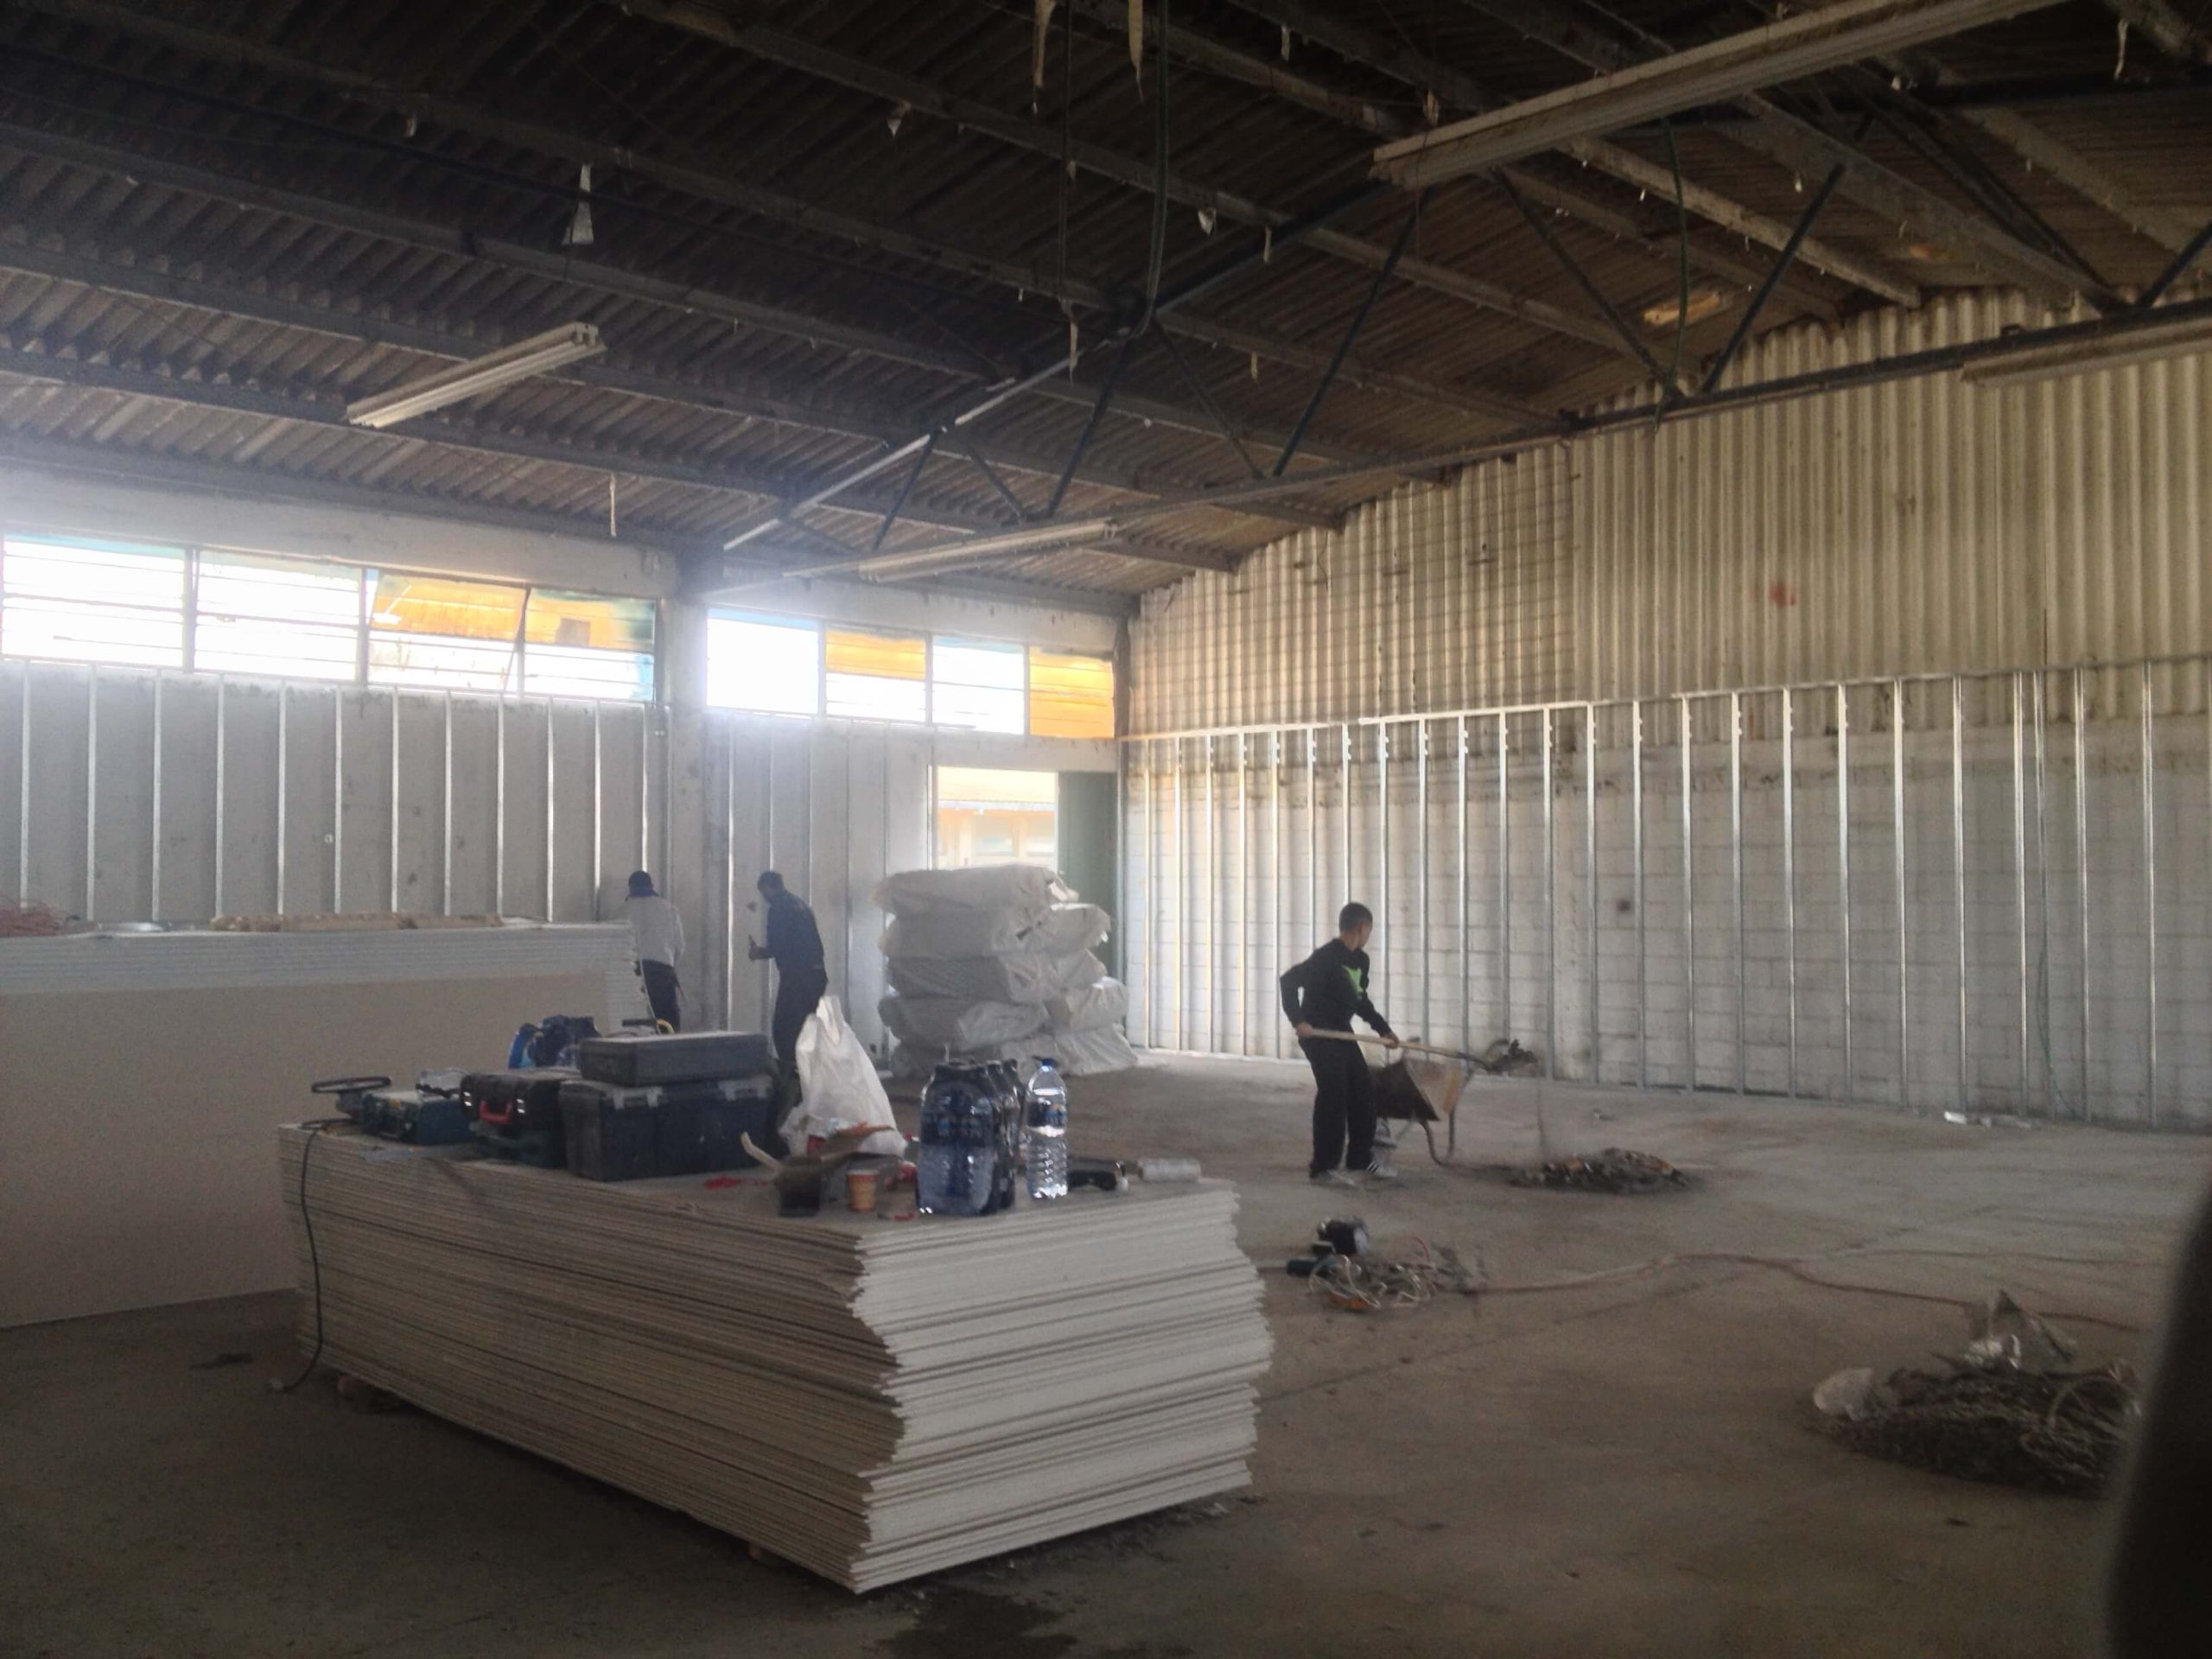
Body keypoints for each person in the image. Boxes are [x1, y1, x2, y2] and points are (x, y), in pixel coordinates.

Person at [1281, 902, 1400, 1186]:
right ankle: (1323, 1167)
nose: (1369, 934)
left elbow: (1359, 1000)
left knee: (1363, 1090)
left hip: (1341, 1031)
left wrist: (1383, 1029)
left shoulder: (1360, 961)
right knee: (1334, 1093)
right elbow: (1288, 981)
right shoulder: (1326, 958)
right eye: (1369, 929)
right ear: (1361, 927)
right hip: (1318, 1033)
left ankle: (1360, 1158)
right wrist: (1299, 1021)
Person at [749, 870, 828, 1069]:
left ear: (768, 887)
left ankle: (792, 1073)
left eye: (763, 891)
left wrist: (758, 952)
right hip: (817, 974)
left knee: (785, 1028)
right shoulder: (801, 904)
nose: (764, 897)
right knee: (807, 1026)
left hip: (798, 976)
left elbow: (777, 946)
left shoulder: (778, 908)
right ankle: (811, 1070)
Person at [624, 870, 684, 1031]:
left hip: (632, 973)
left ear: (630, 887)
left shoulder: (622, 911)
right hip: (662, 972)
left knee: (636, 1023)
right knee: (667, 1021)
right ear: (652, 885)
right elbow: (679, 946)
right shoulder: (669, 909)